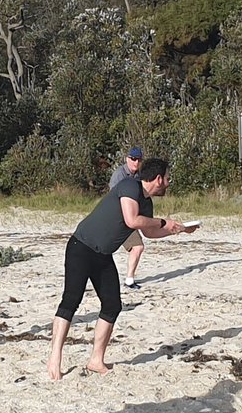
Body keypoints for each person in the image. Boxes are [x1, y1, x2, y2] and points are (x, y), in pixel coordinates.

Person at [47, 158, 193, 381]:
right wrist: (163, 221)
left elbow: (150, 232)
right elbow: (132, 220)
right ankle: (55, 356)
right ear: (158, 178)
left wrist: (179, 230)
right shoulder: (129, 186)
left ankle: (96, 360)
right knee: (70, 301)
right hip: (81, 248)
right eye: (167, 178)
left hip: (103, 255)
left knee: (112, 305)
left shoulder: (147, 203)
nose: (168, 182)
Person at [109, 146, 146, 289]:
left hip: (130, 218)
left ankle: (129, 279)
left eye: (139, 160)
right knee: (136, 247)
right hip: (117, 218)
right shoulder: (119, 175)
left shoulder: (138, 176)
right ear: (127, 159)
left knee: (138, 247)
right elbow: (113, 199)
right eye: (133, 159)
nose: (136, 162)